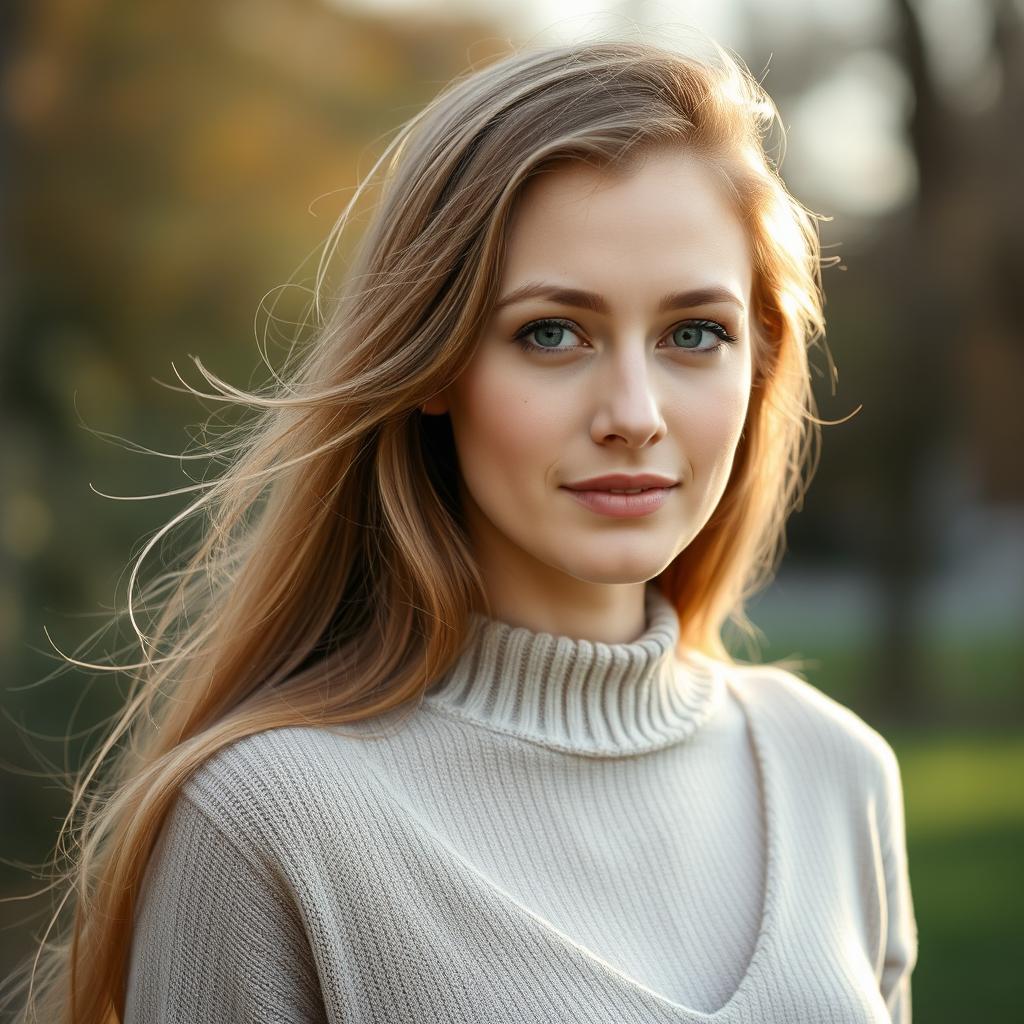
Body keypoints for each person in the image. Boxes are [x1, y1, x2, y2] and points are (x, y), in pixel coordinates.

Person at [3, 34, 918, 1024]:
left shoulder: (836, 774)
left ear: (761, 360)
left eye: (693, 333)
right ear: (435, 365)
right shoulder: (267, 822)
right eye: (550, 333)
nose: (634, 411)